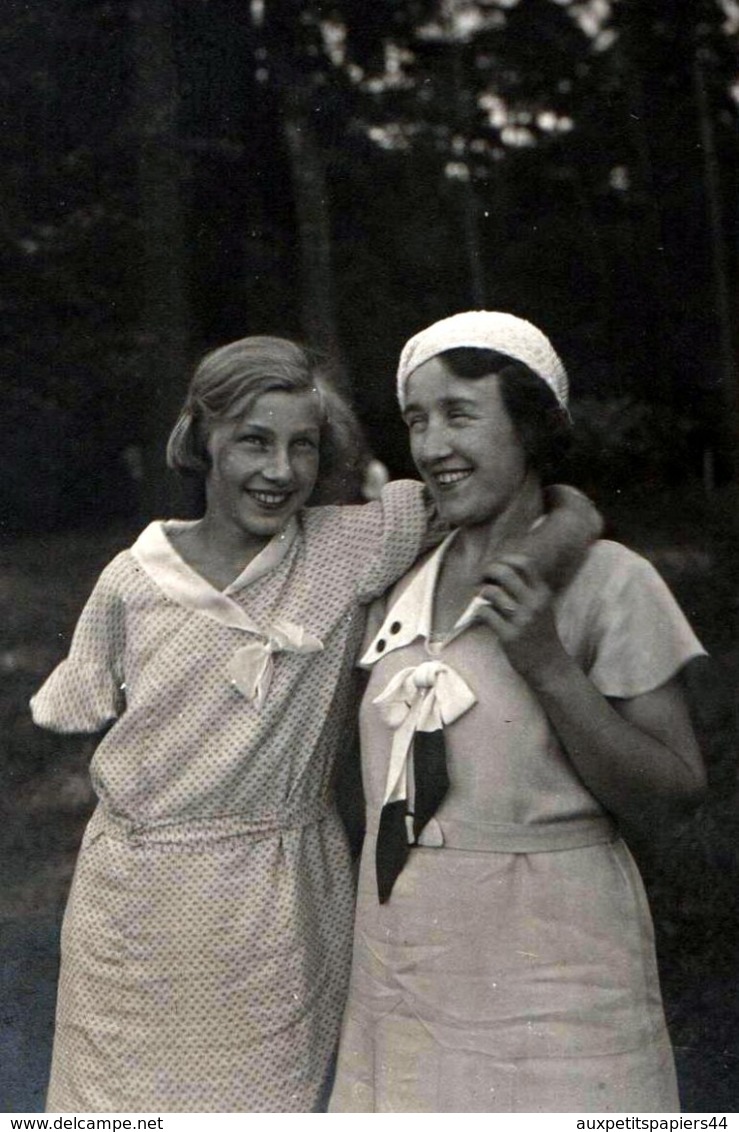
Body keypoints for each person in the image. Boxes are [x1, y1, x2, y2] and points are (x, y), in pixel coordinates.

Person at [30, 334, 599, 1113]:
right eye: (253, 443)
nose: (279, 471)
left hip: (281, 899)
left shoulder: (347, 546)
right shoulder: (130, 580)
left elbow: (506, 491)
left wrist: (570, 525)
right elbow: (91, 715)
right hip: (136, 903)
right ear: (203, 437)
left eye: (302, 447)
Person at [329, 311, 706, 1114]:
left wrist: (542, 661)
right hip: (402, 951)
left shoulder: (610, 580)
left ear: (530, 429)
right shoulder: (397, 581)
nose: (431, 447)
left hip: (552, 955)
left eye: (459, 414)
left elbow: (672, 795)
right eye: (416, 420)